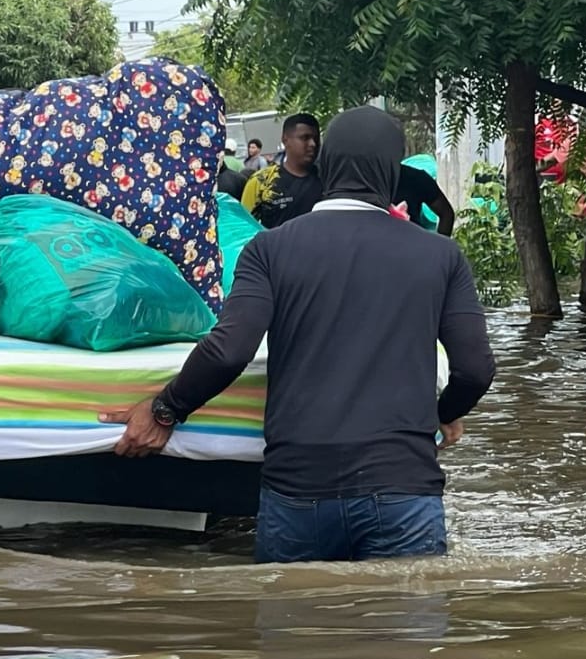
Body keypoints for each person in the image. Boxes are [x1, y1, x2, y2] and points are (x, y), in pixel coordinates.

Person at [98, 105, 495, 563]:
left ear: (327, 166)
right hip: (402, 489)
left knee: (293, 609)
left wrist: (165, 410)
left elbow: (229, 351)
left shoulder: (269, 248)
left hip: (298, 491)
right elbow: (475, 369)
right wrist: (443, 414)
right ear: (392, 172)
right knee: (400, 609)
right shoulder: (441, 256)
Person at [240, 113, 323, 228]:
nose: (313, 144)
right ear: (285, 140)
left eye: (316, 139)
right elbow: (244, 227)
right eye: (305, 138)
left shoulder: (327, 180)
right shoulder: (261, 182)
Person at [394, 163, 456, 236]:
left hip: (412, 240)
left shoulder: (414, 178)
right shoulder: (414, 177)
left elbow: (446, 214)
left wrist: (439, 242)